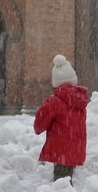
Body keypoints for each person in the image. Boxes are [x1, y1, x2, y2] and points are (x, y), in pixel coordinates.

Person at [34, 54, 88, 183]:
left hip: (61, 152)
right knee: (67, 184)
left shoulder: (55, 102)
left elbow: (39, 127)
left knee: (61, 187)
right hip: (76, 151)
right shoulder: (80, 100)